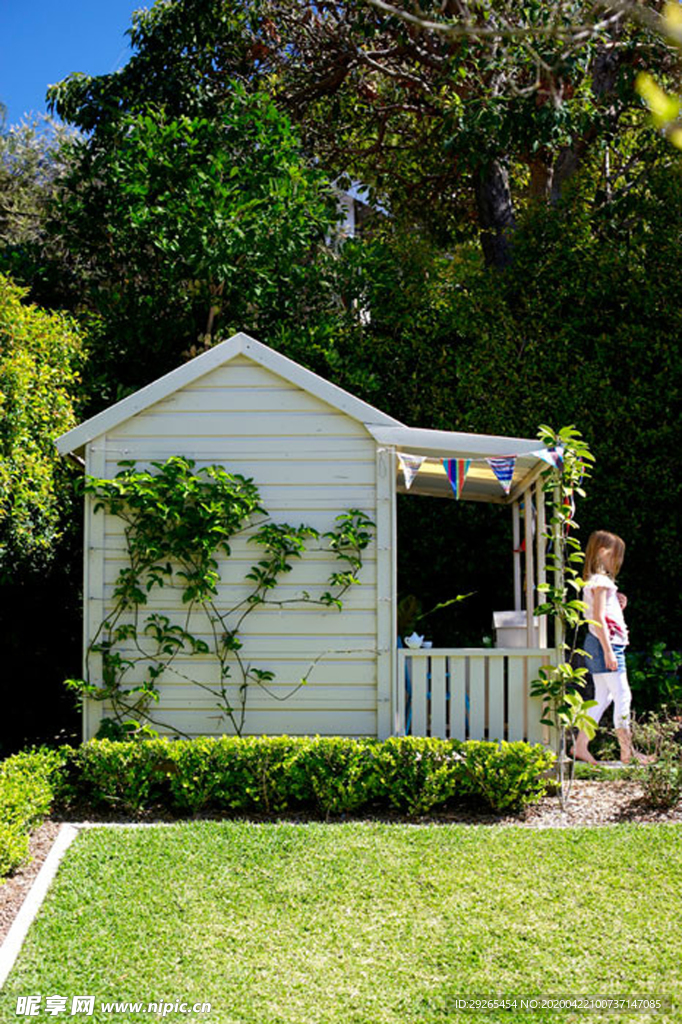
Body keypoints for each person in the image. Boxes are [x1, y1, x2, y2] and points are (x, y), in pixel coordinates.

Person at [571, 530, 653, 766]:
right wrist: (608, 650)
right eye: (615, 555)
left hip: (598, 642)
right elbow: (597, 617)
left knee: (603, 696)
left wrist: (617, 606)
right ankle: (627, 752)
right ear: (602, 552)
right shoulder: (602, 581)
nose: (618, 560)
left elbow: (601, 614)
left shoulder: (595, 581)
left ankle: (580, 745)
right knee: (622, 695)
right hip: (604, 644)